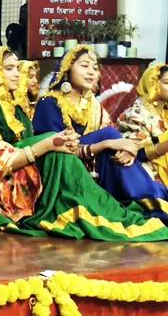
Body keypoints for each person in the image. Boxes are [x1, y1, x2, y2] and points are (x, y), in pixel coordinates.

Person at [0, 46, 168, 241]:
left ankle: (148, 201)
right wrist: (59, 144)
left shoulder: (20, 110)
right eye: (8, 69)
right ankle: (143, 203)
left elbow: (44, 144)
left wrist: (118, 146)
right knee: (75, 149)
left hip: (57, 169)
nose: (17, 74)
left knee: (108, 141)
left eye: (95, 67)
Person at [32, 45, 168, 224]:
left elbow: (117, 141)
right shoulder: (49, 103)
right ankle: (153, 200)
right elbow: (55, 150)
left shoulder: (94, 106)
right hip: (62, 173)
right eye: (84, 66)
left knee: (114, 142)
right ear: (67, 69)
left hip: (95, 168)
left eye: (95, 68)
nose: (91, 72)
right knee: (109, 135)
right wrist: (105, 144)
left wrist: (127, 150)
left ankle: (151, 199)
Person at [119, 63, 168, 184]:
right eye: (167, 82)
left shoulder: (165, 111)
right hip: (147, 176)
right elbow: (136, 154)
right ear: (152, 84)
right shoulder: (137, 114)